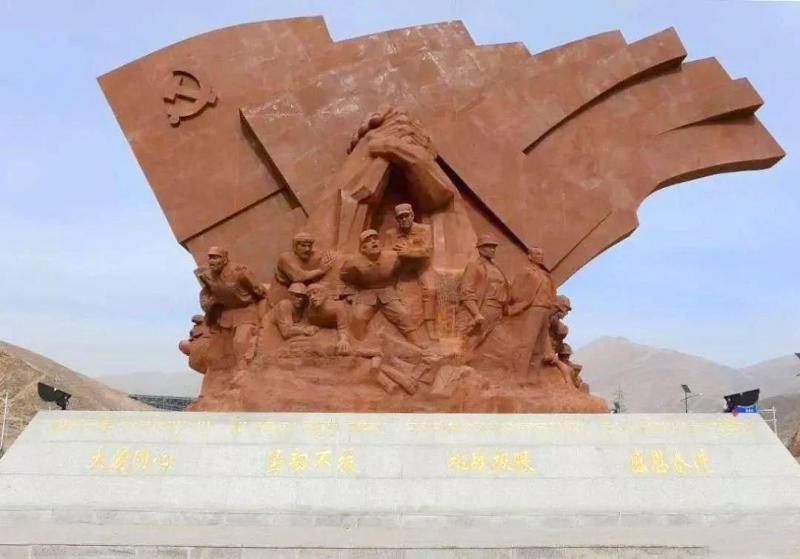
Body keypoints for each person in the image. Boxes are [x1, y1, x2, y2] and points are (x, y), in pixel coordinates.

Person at [340, 229, 426, 346]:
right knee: (358, 317)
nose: (373, 242)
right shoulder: (353, 263)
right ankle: (360, 344)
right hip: (367, 293)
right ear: (363, 249)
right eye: (369, 241)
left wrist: (409, 250)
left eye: (375, 239)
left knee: (403, 314)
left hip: (387, 291)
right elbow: (344, 276)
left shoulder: (392, 257)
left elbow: (416, 259)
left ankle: (416, 341)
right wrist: (353, 291)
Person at [194, 246, 267, 372]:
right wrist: (209, 305)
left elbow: (260, 291)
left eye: (216, 258)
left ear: (225, 259)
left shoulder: (240, 272)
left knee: (240, 341)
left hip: (246, 310)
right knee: (218, 351)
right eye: (210, 258)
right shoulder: (207, 276)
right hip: (226, 314)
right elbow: (206, 294)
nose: (212, 261)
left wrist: (263, 315)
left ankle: (243, 370)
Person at [385, 203, 438, 340]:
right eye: (400, 217)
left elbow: (427, 251)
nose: (404, 219)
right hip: (401, 265)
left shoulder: (424, 229)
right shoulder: (391, 234)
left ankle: (430, 328)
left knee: (431, 289)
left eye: (406, 215)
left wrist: (407, 250)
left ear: (412, 215)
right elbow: (387, 254)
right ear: (397, 219)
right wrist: (394, 253)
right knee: (387, 287)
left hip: (422, 265)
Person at [507, 246, 557, 373]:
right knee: (527, 344)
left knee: (539, 346)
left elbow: (551, 293)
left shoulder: (545, 274)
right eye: (537, 254)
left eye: (541, 254)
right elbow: (515, 291)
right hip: (533, 309)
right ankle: (520, 375)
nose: (540, 256)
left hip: (545, 310)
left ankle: (533, 377)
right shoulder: (526, 272)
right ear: (530, 256)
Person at [459, 234, 509, 353]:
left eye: (494, 247)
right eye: (489, 246)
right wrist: (476, 314)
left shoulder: (497, 268)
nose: (492, 249)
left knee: (503, 346)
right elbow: (466, 291)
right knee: (473, 342)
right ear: (480, 249)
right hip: (485, 309)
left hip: (499, 311)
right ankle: (460, 361)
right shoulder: (474, 266)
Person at [306, 283, 352, 354]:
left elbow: (343, 327)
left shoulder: (337, 307)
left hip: (338, 331)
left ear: (324, 294)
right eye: (309, 295)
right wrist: (314, 327)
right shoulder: (310, 310)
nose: (312, 297)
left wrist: (343, 340)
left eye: (315, 293)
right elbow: (313, 323)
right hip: (324, 333)